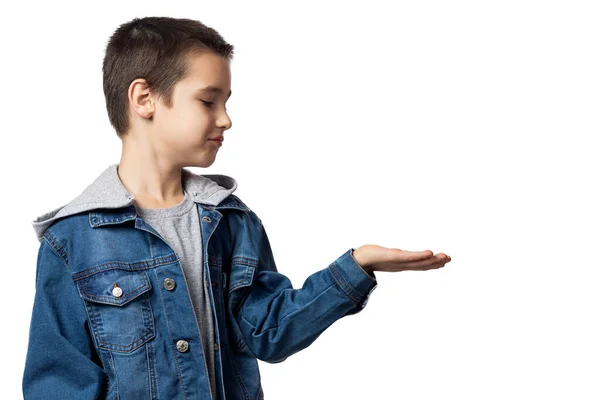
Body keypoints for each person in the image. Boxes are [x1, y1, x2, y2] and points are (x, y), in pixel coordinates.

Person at [22, 16, 451, 400]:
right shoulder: (72, 242)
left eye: (226, 102)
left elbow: (268, 333)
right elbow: (58, 383)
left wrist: (356, 267)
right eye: (209, 101)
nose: (226, 118)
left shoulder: (230, 219)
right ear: (144, 98)